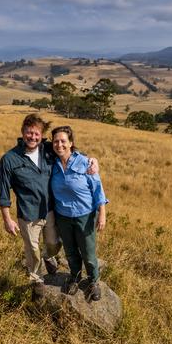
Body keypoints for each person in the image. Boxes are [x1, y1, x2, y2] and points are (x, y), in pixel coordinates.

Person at [0, 114, 98, 298]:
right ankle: (37, 280)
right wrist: (7, 219)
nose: (33, 137)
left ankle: (48, 256)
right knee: (32, 250)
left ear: (42, 135)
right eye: (29, 133)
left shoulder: (47, 150)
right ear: (22, 132)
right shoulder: (9, 159)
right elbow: (3, 192)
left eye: (37, 134)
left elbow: (68, 152)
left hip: (51, 211)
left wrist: (91, 160)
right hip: (28, 215)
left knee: (54, 244)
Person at [50, 125, 107, 301]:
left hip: (85, 215)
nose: (59, 145)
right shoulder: (52, 163)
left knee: (88, 251)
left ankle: (93, 281)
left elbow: (98, 189)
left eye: (63, 141)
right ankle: (75, 276)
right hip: (63, 216)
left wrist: (102, 213)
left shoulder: (85, 162)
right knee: (71, 251)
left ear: (71, 143)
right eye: (56, 141)